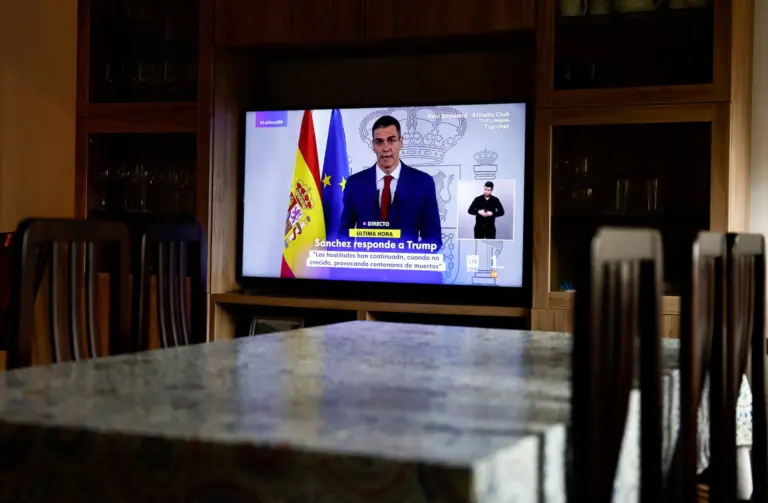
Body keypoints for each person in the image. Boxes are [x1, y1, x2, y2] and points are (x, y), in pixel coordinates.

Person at [340, 116, 442, 250]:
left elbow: (433, 239)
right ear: (373, 145)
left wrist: (409, 257)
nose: (386, 148)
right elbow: (343, 234)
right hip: (365, 262)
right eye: (379, 142)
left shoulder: (423, 183)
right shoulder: (355, 184)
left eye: (391, 140)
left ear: (400, 142)